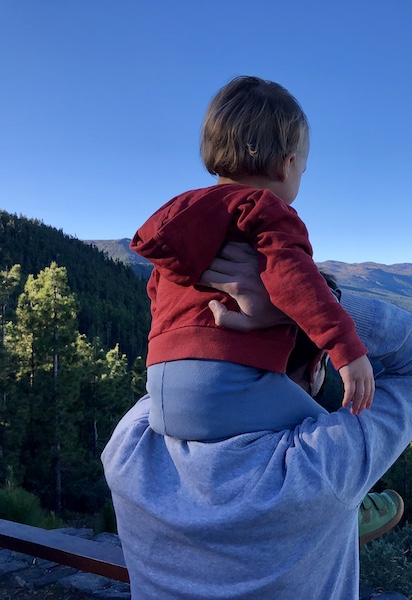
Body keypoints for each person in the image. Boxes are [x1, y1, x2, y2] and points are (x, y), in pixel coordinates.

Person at [101, 243, 412, 599]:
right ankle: (331, 523)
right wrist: (312, 303)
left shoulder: (130, 446)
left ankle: (322, 525)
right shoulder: (317, 467)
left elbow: (179, 379)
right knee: (328, 499)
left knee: (323, 504)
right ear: (318, 362)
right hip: (310, 499)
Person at [132, 75, 374, 447]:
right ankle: (355, 507)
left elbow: (157, 290)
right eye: (302, 171)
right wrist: (347, 349)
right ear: (287, 165)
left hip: (161, 391)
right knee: (343, 444)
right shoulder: (265, 210)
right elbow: (296, 281)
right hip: (228, 379)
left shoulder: (181, 218)